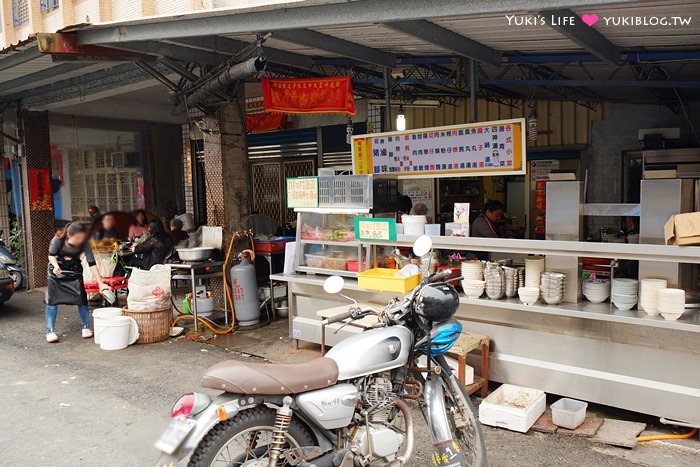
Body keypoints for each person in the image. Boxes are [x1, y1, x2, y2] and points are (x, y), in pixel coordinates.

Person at [46, 222, 109, 343]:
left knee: (82, 299)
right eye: (78, 238)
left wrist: (100, 283)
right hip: (57, 273)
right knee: (51, 300)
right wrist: (55, 266)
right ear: (69, 235)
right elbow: (51, 255)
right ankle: (50, 331)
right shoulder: (58, 239)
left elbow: (92, 263)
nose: (80, 240)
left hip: (74, 272)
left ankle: (85, 327)